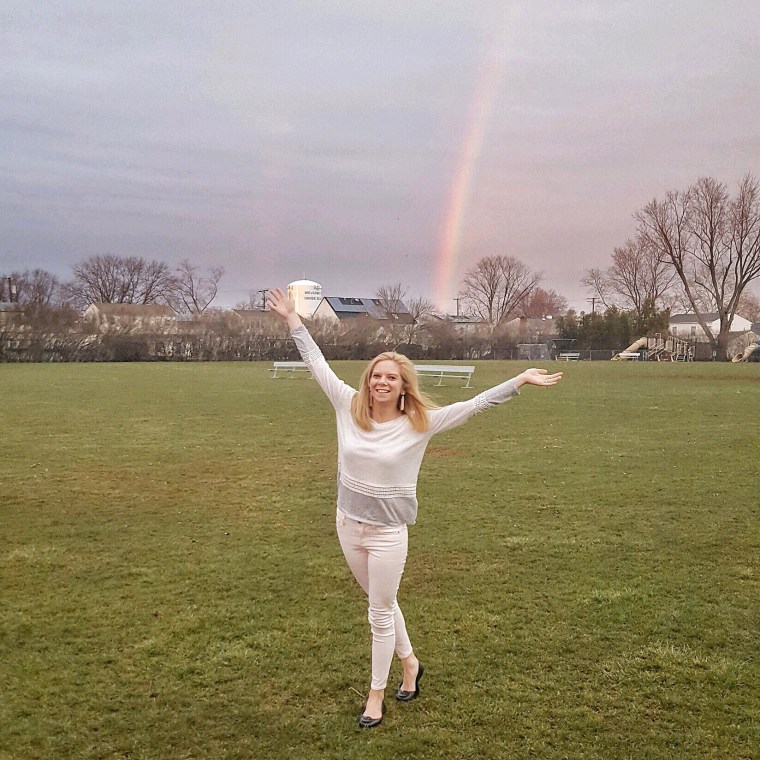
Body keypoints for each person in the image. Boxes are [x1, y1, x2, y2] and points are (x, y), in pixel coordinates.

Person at [267, 288, 563, 729]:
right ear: (368, 380)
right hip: (348, 525)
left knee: (379, 612)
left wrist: (518, 380)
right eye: (376, 375)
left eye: (391, 377)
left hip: (388, 534)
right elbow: (316, 362)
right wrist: (293, 318)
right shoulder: (347, 406)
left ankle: (375, 694)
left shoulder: (419, 424)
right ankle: (410, 663)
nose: (381, 382)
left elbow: (475, 404)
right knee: (381, 603)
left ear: (403, 386)